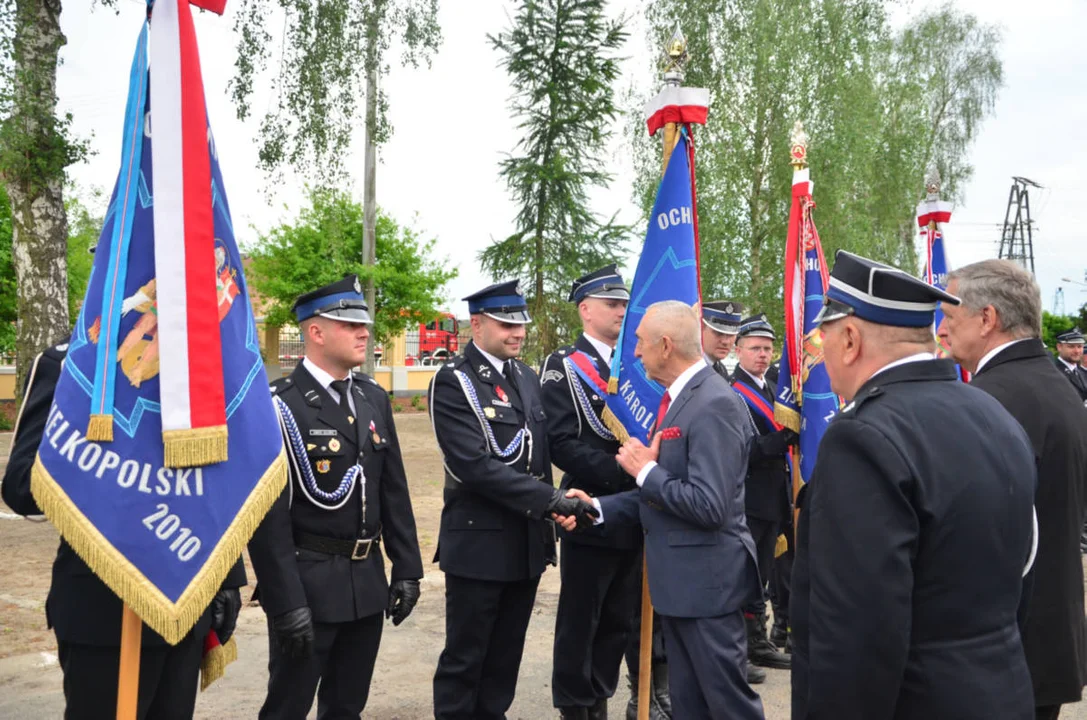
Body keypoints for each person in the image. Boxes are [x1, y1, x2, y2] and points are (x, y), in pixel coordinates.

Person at [792, 250, 1037, 720]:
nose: (819, 355)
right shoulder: (995, 415)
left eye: (822, 338)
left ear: (849, 338)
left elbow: (857, 635)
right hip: (1001, 693)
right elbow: (1020, 575)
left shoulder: (861, 437)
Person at [1, 342, 245, 720]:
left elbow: (214, 481)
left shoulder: (192, 367)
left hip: (183, 600)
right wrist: (114, 471)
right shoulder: (71, 362)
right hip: (102, 610)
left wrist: (227, 574)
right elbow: (20, 486)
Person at [562, 300, 765, 720]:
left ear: (667, 346)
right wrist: (597, 507)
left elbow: (709, 505)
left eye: (640, 343)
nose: (634, 352)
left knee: (726, 707)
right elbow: (663, 497)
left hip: (707, 587)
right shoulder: (682, 399)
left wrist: (646, 471)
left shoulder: (714, 403)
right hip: (683, 588)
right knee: (692, 708)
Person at [247, 274, 424, 719]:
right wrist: (285, 601)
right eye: (349, 325)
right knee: (287, 706)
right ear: (316, 332)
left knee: (347, 706)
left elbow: (393, 488)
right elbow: (266, 520)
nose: (365, 331)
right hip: (307, 584)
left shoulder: (371, 397)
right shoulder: (279, 404)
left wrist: (406, 568)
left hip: (366, 583)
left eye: (364, 323)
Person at [429, 279, 598, 720]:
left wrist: (556, 502)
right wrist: (552, 501)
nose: (518, 332)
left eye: (521, 322)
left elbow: (537, 458)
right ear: (478, 324)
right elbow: (475, 466)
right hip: (478, 546)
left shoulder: (524, 376)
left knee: (505, 659)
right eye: (506, 324)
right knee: (466, 661)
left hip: (525, 543)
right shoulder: (455, 382)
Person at [938, 260, 1087, 720]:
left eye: (950, 317)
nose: (941, 330)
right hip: (1047, 635)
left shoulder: (988, 400)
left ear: (987, 319)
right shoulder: (1056, 385)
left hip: (1001, 648)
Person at [540, 265, 655, 720]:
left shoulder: (638, 365)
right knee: (580, 619)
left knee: (619, 619)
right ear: (585, 310)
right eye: (612, 304)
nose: (621, 311)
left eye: (625, 304)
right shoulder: (563, 366)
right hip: (589, 508)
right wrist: (624, 473)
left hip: (635, 509)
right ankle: (574, 707)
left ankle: (600, 699)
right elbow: (562, 441)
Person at [729, 314, 793, 673]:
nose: (763, 355)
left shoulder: (771, 387)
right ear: (738, 351)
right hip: (749, 497)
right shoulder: (732, 390)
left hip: (773, 497)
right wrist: (781, 440)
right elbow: (743, 448)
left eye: (768, 348)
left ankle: (759, 641)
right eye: (755, 348)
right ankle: (740, 649)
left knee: (765, 572)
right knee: (746, 574)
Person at [701, 300, 744, 378]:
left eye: (731, 335)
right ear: (701, 329)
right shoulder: (688, 369)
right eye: (719, 333)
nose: (726, 342)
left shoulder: (721, 369)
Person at [1052, 328, 1087, 406]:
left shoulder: (1081, 372)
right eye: (1071, 346)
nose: (1077, 351)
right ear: (1059, 347)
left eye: (1079, 346)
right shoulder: (1053, 372)